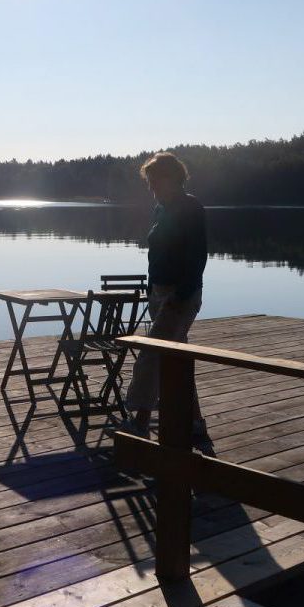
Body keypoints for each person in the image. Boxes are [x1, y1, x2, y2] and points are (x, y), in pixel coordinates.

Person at [122, 151, 210, 445]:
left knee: (151, 354)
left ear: (172, 177)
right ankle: (195, 422)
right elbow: (155, 253)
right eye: (148, 182)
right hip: (159, 294)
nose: (151, 187)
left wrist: (180, 295)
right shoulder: (161, 209)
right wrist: (151, 289)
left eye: (154, 180)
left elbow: (197, 257)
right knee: (176, 359)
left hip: (180, 296)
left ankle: (140, 420)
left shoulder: (191, 207)